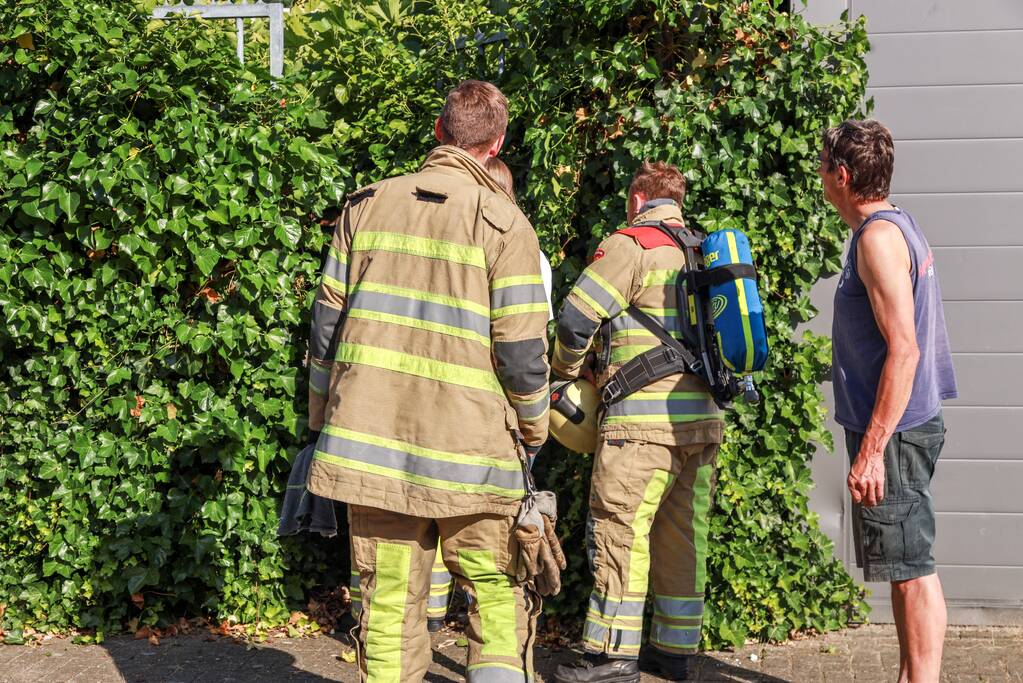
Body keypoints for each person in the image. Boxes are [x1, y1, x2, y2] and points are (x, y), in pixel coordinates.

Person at [305, 80, 551, 682]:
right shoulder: (505, 224)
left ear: (438, 132)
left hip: (374, 448)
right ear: (496, 144)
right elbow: (521, 354)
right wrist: (534, 427)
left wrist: (321, 420)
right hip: (475, 452)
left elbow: (324, 331)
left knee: (387, 604)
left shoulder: (364, 207)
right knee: (496, 593)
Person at [552, 162, 724, 683]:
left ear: (636, 198)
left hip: (642, 427)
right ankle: (673, 652)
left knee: (620, 530)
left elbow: (577, 318)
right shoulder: (703, 249)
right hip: (702, 422)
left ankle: (609, 657)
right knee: (681, 534)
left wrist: (563, 370)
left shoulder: (631, 244)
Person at [821, 119, 957, 683]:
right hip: (903, 425)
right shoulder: (895, 224)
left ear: (844, 176)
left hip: (895, 432)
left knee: (914, 569)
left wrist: (873, 448)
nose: (821, 178)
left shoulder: (877, 239)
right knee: (905, 564)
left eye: (825, 167)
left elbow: (904, 350)